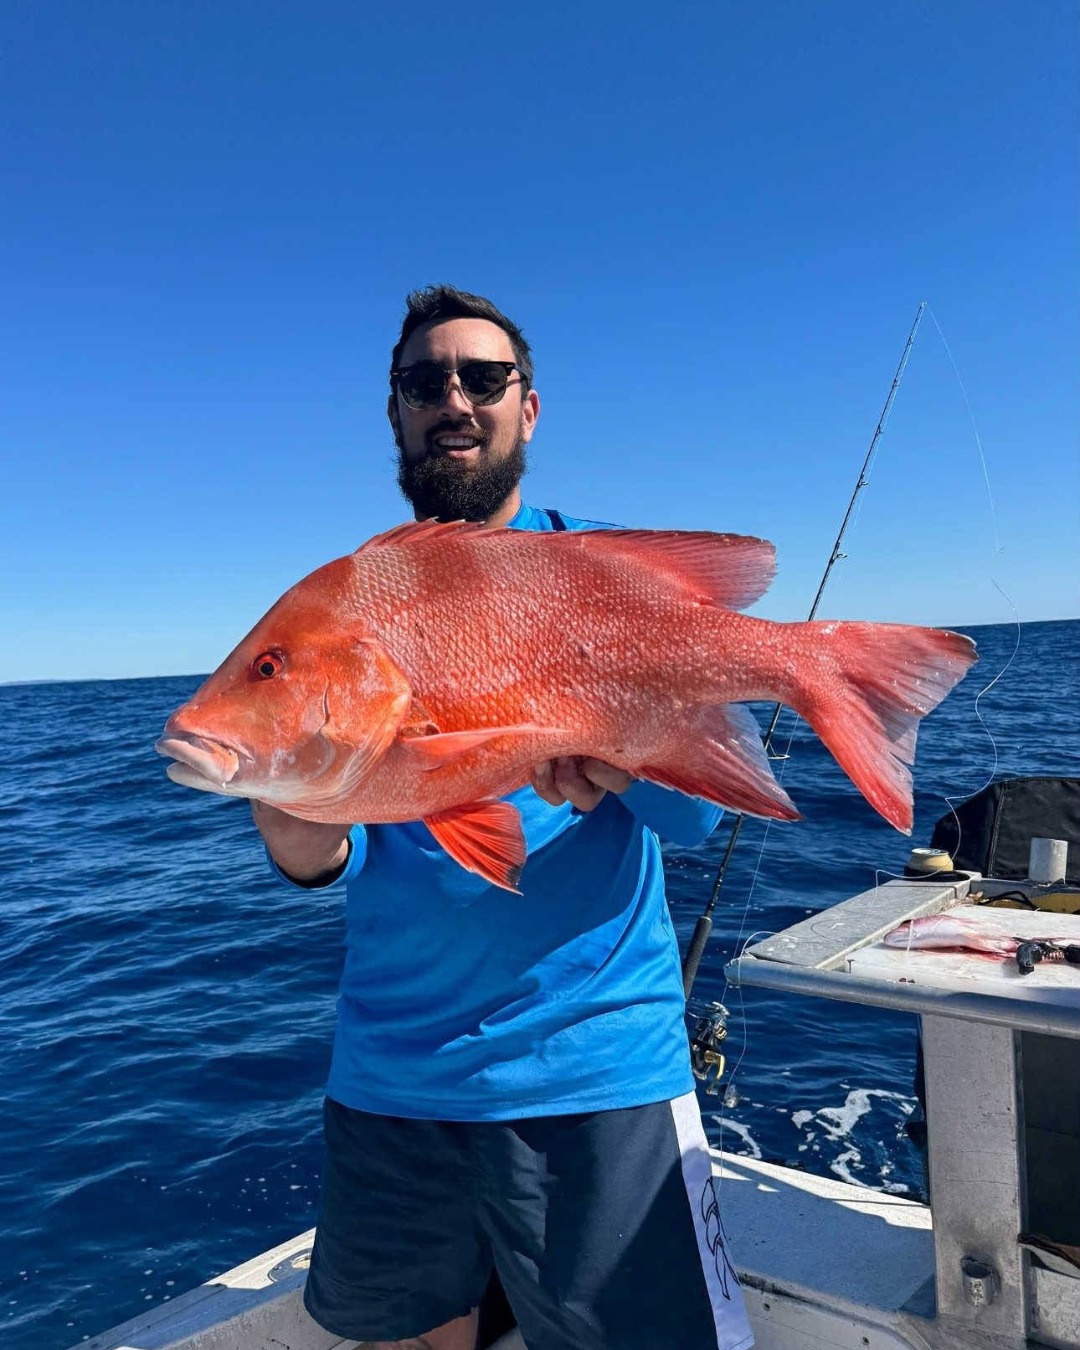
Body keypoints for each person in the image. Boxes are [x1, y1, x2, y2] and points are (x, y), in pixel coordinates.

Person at [251, 286, 754, 1350]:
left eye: (483, 378)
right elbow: (330, 854)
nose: (454, 400)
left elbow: (696, 825)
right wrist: (292, 822)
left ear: (528, 407)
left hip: (593, 1069)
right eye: (423, 381)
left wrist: (626, 763)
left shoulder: (601, 565)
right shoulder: (353, 600)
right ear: (395, 411)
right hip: (391, 1079)